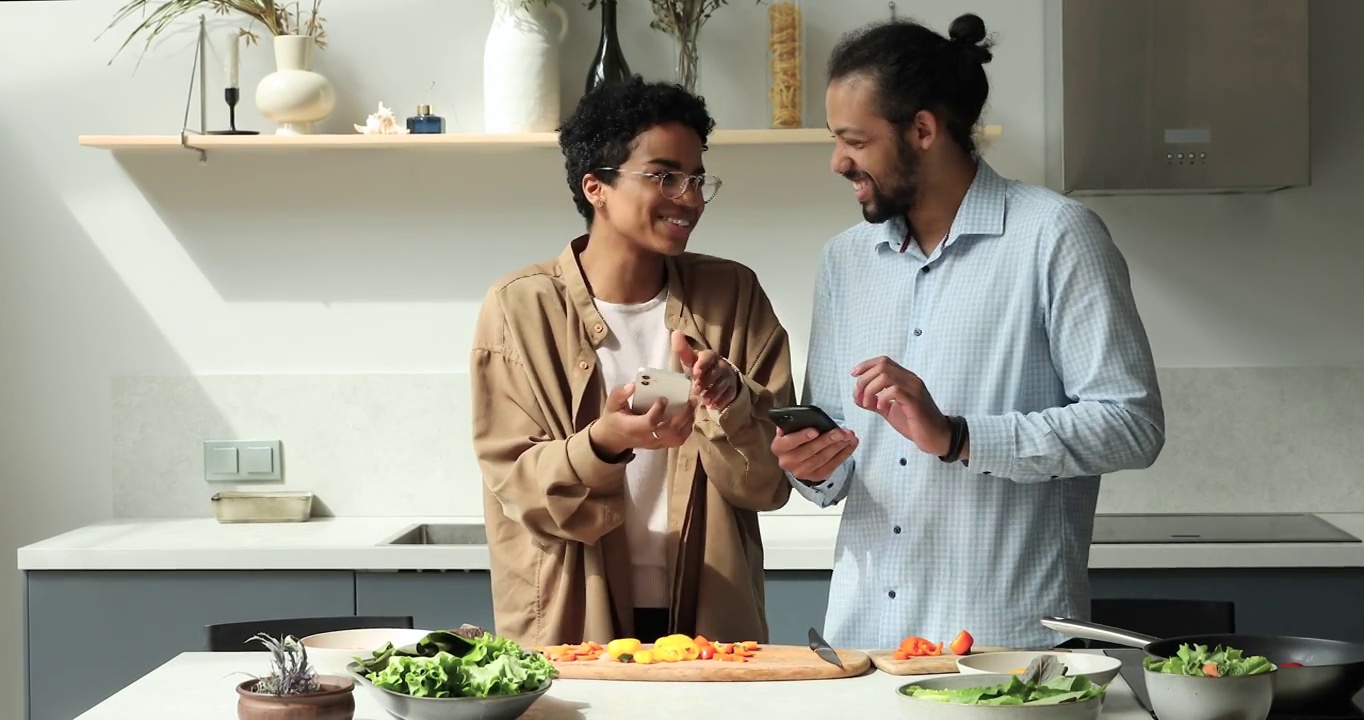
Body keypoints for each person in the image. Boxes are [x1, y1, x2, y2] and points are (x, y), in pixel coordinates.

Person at [772, 14, 1165, 651]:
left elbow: (1132, 426)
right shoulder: (844, 260)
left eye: (854, 140)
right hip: (864, 646)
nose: (837, 161)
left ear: (923, 129)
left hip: (1005, 651)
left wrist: (958, 437)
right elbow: (837, 462)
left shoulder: (1055, 237)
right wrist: (811, 466)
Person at [471, 76, 796, 648]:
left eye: (696, 178)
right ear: (596, 187)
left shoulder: (733, 296)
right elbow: (514, 483)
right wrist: (603, 442)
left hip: (711, 617)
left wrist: (730, 404)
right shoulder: (520, 306)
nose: (690, 198)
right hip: (576, 615)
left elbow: (770, 484)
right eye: (664, 176)